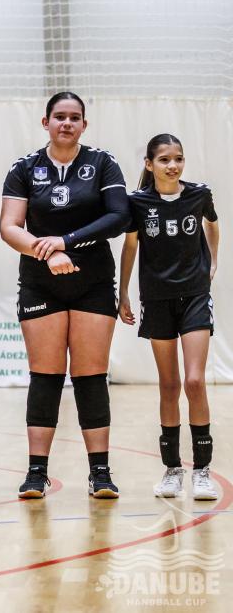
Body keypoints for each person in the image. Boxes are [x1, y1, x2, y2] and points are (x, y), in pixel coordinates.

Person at [0, 92, 130, 500]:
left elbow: (119, 217)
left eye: (75, 117)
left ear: (84, 125)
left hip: (93, 282)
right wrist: (50, 252)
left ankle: (100, 473)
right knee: (46, 374)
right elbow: (9, 227)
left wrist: (66, 241)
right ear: (46, 122)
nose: (67, 123)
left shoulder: (102, 163)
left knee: (90, 375)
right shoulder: (24, 168)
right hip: (41, 282)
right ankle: (36, 472)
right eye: (59, 116)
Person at [119, 134, 220, 500]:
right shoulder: (138, 202)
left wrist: (212, 263)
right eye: (164, 159)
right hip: (157, 298)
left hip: (194, 296)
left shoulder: (199, 194)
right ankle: (173, 469)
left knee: (194, 381)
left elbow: (212, 224)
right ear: (150, 164)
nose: (173, 165)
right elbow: (130, 245)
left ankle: (202, 470)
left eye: (178, 158)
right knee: (169, 385)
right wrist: (123, 292)